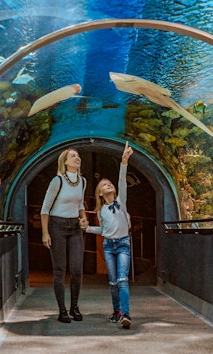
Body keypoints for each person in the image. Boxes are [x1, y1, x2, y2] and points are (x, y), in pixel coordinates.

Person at [81, 141, 133, 329]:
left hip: (123, 245)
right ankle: (116, 311)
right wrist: (87, 229)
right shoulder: (101, 210)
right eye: (104, 184)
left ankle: (126, 315)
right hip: (109, 246)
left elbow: (121, 181)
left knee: (122, 279)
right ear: (100, 193)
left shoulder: (121, 202)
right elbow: (103, 230)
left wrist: (124, 161)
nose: (109, 184)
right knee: (112, 282)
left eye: (109, 183)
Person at [41, 148, 87, 323]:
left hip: (75, 226)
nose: (77, 158)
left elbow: (80, 204)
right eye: (73, 156)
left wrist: (83, 219)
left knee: (76, 269)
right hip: (57, 226)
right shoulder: (57, 181)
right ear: (65, 162)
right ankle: (62, 311)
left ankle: (74, 307)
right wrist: (45, 233)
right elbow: (45, 209)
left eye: (78, 155)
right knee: (59, 270)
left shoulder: (82, 181)